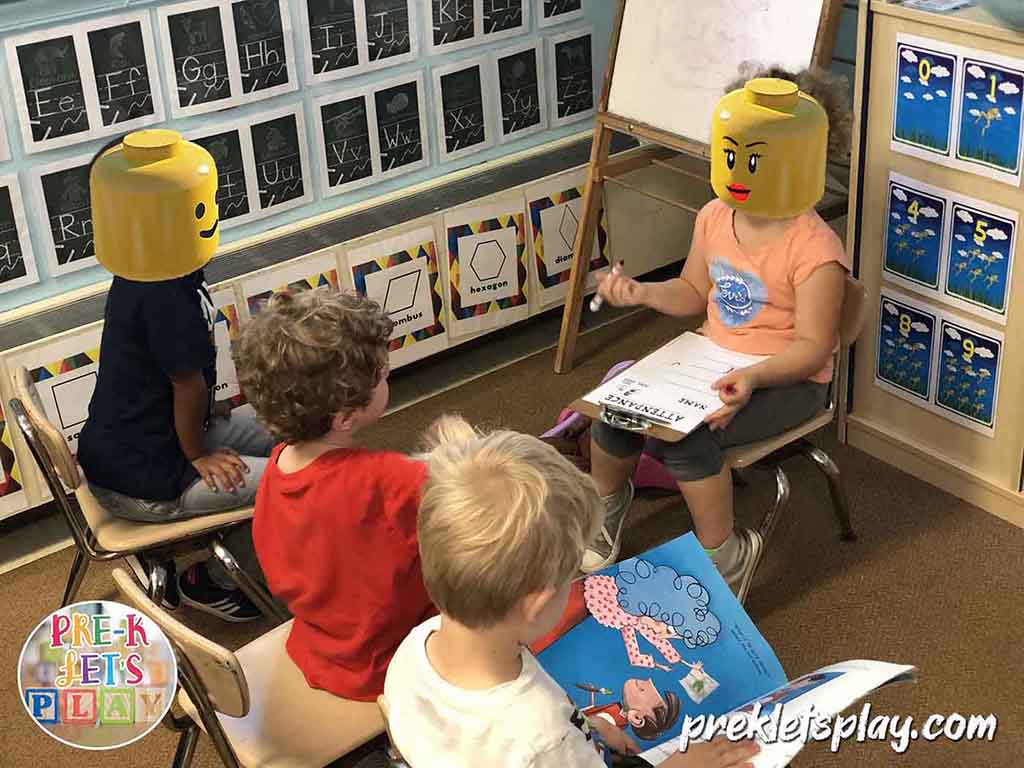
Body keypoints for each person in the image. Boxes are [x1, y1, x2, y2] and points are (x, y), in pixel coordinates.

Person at [584, 76, 851, 604]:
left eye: (755, 160)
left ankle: (724, 553)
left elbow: (814, 349)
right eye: (732, 155)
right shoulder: (714, 216)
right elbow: (692, 292)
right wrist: (642, 293)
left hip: (788, 377)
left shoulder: (816, 249)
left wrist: (751, 376)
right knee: (614, 410)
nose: (738, 172)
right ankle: (605, 512)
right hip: (710, 360)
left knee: (687, 436)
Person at [384, 417, 759, 768]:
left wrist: (587, 730)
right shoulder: (542, 736)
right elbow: (538, 744)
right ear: (539, 602)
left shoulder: (415, 648)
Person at [78, 130, 274, 622]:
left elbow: (179, 379)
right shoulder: (162, 293)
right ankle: (212, 583)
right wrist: (198, 455)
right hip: (146, 475)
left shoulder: (151, 270)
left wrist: (209, 416)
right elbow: (185, 384)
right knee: (290, 481)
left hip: (145, 442)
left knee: (288, 439)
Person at [237, 289, 435, 701]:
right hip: (392, 662)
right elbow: (473, 512)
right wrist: (462, 453)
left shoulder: (278, 464)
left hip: (320, 647)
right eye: (383, 374)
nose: (387, 377)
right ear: (345, 416)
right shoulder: (389, 479)